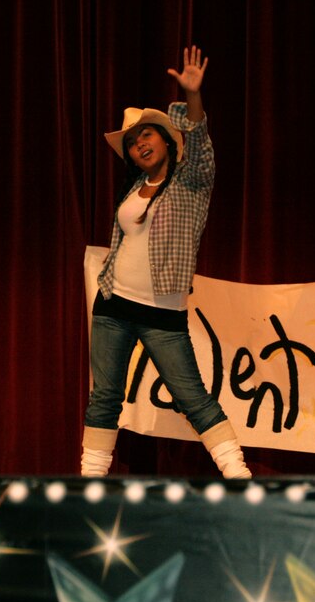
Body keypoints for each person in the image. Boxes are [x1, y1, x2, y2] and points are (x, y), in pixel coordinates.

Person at [82, 45, 251, 479]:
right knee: (105, 397)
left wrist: (193, 95)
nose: (141, 144)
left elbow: (199, 146)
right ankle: (89, 483)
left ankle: (239, 477)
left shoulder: (189, 182)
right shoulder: (135, 188)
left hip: (162, 313)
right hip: (113, 306)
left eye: (147, 134)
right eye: (134, 142)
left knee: (193, 397)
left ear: (165, 138)